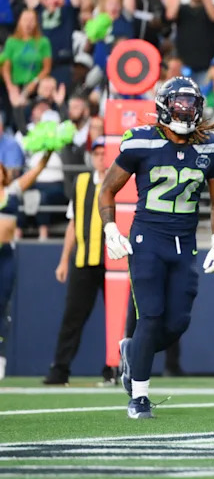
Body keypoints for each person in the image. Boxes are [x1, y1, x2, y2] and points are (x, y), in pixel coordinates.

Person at [99, 77, 214, 419]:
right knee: (151, 317)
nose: (185, 109)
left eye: (191, 103)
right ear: (163, 105)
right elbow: (107, 190)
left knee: (177, 324)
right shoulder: (141, 142)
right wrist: (110, 227)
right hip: (148, 239)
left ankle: (132, 352)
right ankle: (138, 397)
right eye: (179, 102)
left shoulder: (211, 147)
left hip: (185, 243)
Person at [43, 138, 113, 386]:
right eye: (97, 153)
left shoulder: (120, 181)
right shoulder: (82, 182)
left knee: (117, 318)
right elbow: (73, 223)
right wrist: (64, 260)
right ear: (91, 156)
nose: (101, 157)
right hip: (84, 259)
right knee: (73, 317)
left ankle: (114, 369)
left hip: (113, 261)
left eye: (105, 153)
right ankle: (60, 369)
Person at [0, 149, 53, 381]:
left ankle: (0, 358)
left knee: (2, 306)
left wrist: (47, 154)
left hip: (6, 256)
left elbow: (37, 170)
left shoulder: (13, 190)